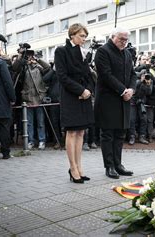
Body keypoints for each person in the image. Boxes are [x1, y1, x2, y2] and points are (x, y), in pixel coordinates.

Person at [55, 23, 95, 183]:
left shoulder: (82, 52)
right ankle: (72, 168)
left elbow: (89, 75)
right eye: (81, 36)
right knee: (71, 132)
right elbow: (62, 76)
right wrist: (80, 91)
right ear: (72, 35)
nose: (84, 39)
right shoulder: (61, 51)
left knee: (81, 132)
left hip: (83, 96)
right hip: (70, 96)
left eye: (85, 36)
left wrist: (89, 90)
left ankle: (79, 167)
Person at [94, 27, 136, 179]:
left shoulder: (127, 53)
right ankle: (109, 166)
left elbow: (133, 74)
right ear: (113, 37)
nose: (124, 42)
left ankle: (118, 164)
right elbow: (106, 75)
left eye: (126, 40)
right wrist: (123, 91)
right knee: (108, 134)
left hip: (124, 99)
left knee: (120, 134)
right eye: (121, 39)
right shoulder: (103, 51)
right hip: (108, 99)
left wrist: (131, 89)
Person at [13, 47, 51, 150]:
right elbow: (14, 68)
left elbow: (48, 68)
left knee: (40, 122)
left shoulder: (38, 67)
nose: (29, 57)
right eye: (28, 55)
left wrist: (37, 59)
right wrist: (21, 57)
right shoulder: (24, 68)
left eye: (31, 55)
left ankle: (42, 140)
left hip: (39, 97)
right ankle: (30, 141)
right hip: (27, 98)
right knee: (29, 122)